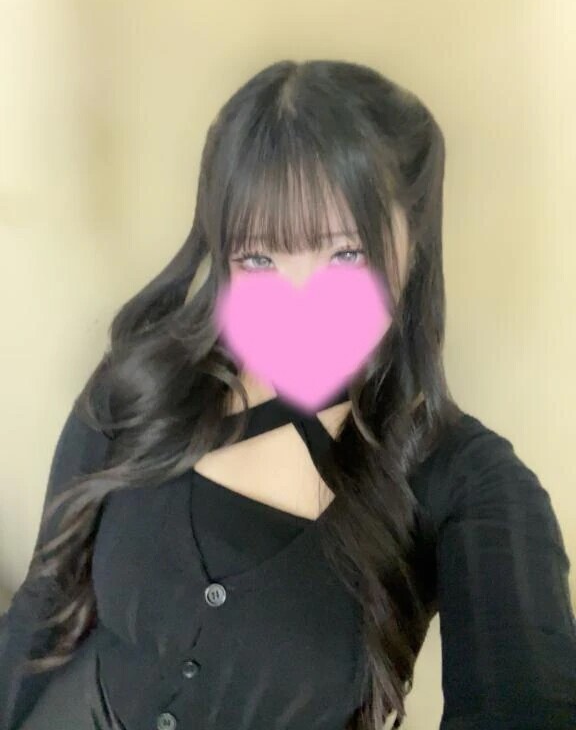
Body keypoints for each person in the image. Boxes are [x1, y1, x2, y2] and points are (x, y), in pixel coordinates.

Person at [1, 59, 574, 730]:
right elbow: (41, 608)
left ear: (413, 239)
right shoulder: (144, 384)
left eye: (345, 254)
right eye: (259, 258)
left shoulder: (468, 482)